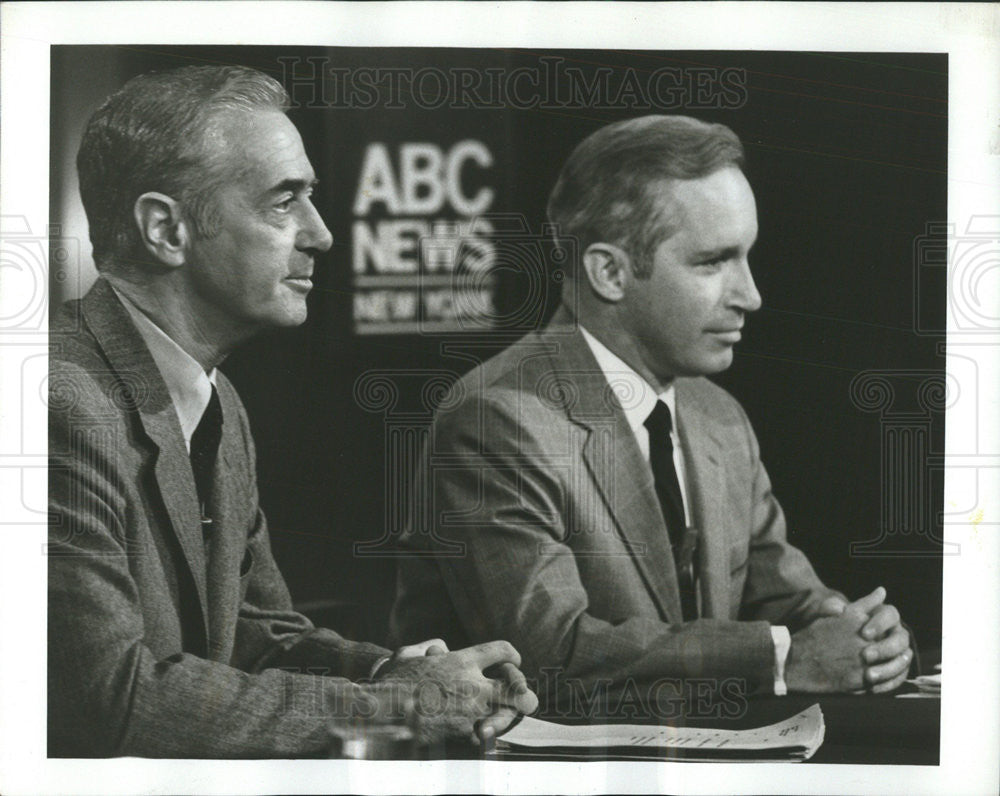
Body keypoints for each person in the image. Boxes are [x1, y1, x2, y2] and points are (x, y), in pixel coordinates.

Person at [48, 64, 536, 758]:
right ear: (165, 228)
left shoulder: (219, 399)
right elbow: (112, 700)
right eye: (285, 202)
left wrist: (390, 672)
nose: (323, 234)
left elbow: (255, 634)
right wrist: (401, 706)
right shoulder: (54, 401)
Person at [389, 115, 912, 715]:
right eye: (714, 262)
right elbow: (545, 655)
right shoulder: (495, 420)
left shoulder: (719, 416)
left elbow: (788, 604)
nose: (751, 294)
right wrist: (783, 658)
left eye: (747, 257)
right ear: (609, 272)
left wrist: (858, 634)